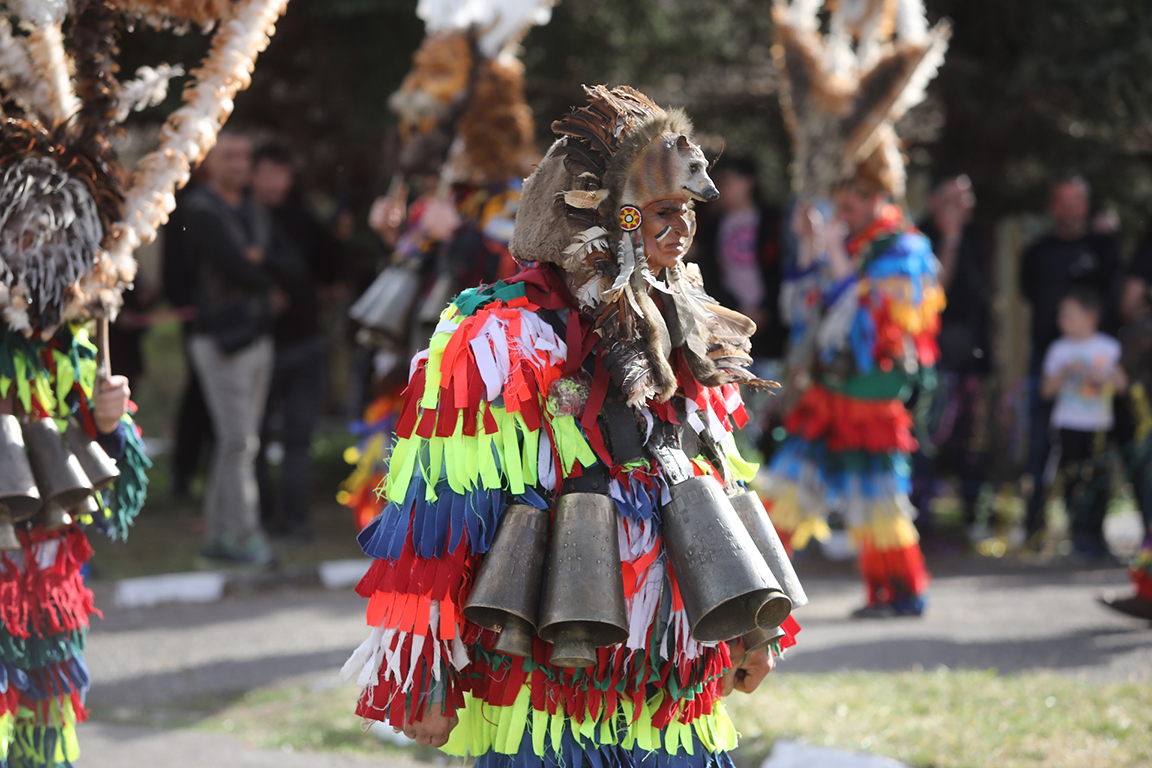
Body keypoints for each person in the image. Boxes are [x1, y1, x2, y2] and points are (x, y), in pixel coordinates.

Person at [343, 85, 801, 764]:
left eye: (688, 212)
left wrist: (754, 632)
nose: (684, 229)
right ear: (605, 218)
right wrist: (423, 667)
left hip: (669, 690)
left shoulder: (691, 324)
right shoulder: (496, 338)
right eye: (662, 212)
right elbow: (437, 513)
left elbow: (716, 470)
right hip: (544, 689)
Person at [763, 0, 949, 617]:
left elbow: (886, 324)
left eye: (852, 196)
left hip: (871, 395)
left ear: (875, 191)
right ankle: (749, 586)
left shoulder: (906, 249)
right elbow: (812, 310)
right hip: (827, 392)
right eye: (840, 197)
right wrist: (815, 256)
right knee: (788, 486)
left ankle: (900, 592)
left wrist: (838, 264)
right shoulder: (845, 241)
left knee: (878, 502)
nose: (843, 207)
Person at [341, 2, 546, 531]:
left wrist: (456, 233)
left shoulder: (512, 193)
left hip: (476, 370)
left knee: (465, 496)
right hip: (421, 355)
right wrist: (397, 235)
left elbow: (516, 271)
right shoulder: (442, 189)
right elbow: (414, 273)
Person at [183, 129, 282, 565]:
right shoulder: (201, 209)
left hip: (257, 335)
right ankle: (244, 535)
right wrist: (262, 273)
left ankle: (221, 536)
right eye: (229, 156)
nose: (239, 164)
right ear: (209, 161)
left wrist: (264, 267)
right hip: (221, 340)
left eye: (245, 155)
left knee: (237, 443)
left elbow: (280, 259)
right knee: (240, 442)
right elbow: (236, 264)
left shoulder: (254, 211)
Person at [250, 143, 346, 541]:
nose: (277, 183)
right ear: (254, 174)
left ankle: (296, 519)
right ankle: (258, 518)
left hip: (305, 344)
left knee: (298, 438)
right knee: (253, 439)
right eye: (269, 172)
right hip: (258, 345)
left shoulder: (301, 217)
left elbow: (333, 271)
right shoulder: (240, 217)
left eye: (283, 173)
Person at [1019, 175, 1120, 541]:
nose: (1070, 208)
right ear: (1052, 206)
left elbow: (1116, 290)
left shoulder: (1103, 248)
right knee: (1041, 447)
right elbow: (1028, 292)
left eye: (1077, 200)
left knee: (1094, 456)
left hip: (1095, 376)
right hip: (1047, 359)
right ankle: (1033, 526)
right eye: (1062, 200)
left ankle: (1089, 529)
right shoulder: (1038, 252)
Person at [914, 175, 992, 541]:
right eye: (953, 200)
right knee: (929, 432)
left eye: (967, 199)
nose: (962, 208)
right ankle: (922, 515)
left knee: (972, 438)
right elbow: (935, 290)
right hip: (933, 354)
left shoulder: (976, 236)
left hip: (973, 354)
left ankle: (974, 518)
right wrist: (949, 239)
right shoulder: (920, 236)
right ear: (934, 202)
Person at [694, 156, 786, 458]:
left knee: (770, 392)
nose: (723, 188)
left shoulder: (773, 221)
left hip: (771, 324)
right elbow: (708, 271)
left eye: (729, 181)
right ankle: (741, 452)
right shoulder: (711, 223)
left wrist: (767, 309)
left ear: (749, 182)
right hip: (730, 320)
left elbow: (782, 269)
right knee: (736, 391)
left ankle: (765, 453)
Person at [1040, 287, 1126, 561]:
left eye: (1068, 315)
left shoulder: (1109, 347)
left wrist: (1099, 375)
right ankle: (1078, 535)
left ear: (1090, 318)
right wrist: (1066, 371)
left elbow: (1122, 385)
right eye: (1060, 315)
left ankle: (1097, 535)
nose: (1061, 321)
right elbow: (1046, 391)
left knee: (1100, 480)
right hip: (1068, 424)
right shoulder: (1058, 349)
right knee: (1071, 480)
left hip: (1100, 425)